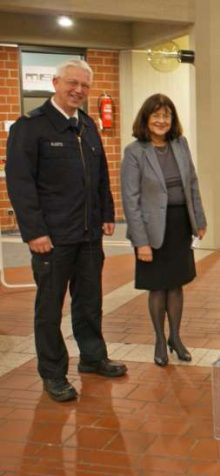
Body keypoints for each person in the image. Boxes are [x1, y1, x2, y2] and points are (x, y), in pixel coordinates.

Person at [5, 59, 127, 402]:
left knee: (90, 302)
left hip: (88, 235)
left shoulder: (87, 125)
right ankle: (53, 373)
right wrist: (34, 232)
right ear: (56, 82)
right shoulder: (30, 127)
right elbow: (20, 184)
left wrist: (107, 213)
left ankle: (92, 356)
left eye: (85, 86)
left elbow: (101, 175)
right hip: (52, 239)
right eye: (72, 83)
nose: (78, 90)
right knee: (49, 308)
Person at [121, 94, 207, 367]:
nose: (161, 120)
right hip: (152, 229)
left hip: (179, 224)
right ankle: (159, 339)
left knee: (177, 285)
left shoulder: (180, 145)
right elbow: (130, 199)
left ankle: (176, 338)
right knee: (158, 288)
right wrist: (140, 242)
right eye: (156, 115)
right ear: (146, 119)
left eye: (166, 115)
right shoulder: (135, 152)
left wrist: (199, 220)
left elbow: (192, 183)